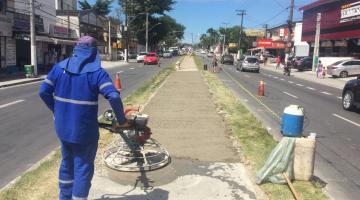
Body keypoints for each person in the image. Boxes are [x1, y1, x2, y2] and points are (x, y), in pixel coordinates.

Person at [39, 36, 129, 200]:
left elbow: (43, 92)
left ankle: (64, 197)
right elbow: (114, 97)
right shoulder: (97, 73)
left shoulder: (59, 68)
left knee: (67, 163)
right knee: (83, 167)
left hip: (63, 130)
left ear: (76, 49)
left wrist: (56, 111)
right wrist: (122, 120)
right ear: (94, 52)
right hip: (85, 132)